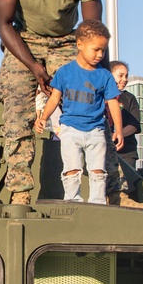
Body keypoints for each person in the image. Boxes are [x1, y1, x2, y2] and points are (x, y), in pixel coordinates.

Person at [0, 0, 104, 205]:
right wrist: (34, 67)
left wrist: (87, 75)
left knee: (89, 101)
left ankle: (109, 187)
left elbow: (91, 34)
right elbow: (4, 25)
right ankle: (20, 190)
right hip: (24, 40)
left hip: (68, 40)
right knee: (17, 109)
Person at [36, 19, 123, 203]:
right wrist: (43, 117)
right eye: (96, 49)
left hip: (96, 130)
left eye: (103, 50)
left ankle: (97, 202)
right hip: (70, 129)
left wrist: (118, 129)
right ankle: (72, 201)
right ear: (80, 45)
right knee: (72, 169)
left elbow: (113, 103)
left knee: (98, 170)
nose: (100, 54)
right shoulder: (65, 72)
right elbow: (54, 98)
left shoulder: (104, 75)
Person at [109, 61, 141, 169]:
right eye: (120, 76)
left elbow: (134, 125)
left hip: (126, 152)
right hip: (102, 150)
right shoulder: (100, 95)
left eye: (126, 76)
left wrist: (117, 134)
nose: (124, 79)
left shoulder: (129, 98)